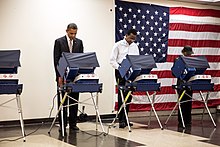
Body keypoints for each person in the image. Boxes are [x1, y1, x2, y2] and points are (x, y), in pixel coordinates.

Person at [53, 23, 84, 132]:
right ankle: (62, 124)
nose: (73, 36)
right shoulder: (59, 42)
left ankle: (73, 123)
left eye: (75, 34)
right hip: (62, 75)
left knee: (74, 100)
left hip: (74, 75)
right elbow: (56, 60)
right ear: (66, 31)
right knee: (63, 101)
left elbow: (81, 59)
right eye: (71, 33)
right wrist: (59, 76)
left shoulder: (79, 42)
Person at [110, 29, 139, 128]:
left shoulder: (135, 46)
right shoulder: (118, 45)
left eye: (134, 39)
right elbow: (112, 60)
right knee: (122, 95)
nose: (132, 40)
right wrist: (120, 69)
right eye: (130, 38)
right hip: (120, 71)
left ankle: (126, 118)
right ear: (126, 35)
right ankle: (121, 119)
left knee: (129, 95)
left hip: (131, 72)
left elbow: (137, 59)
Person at [176, 45, 194, 127]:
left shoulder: (191, 60)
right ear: (184, 52)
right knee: (182, 102)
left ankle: (188, 120)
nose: (189, 55)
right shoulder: (179, 60)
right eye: (188, 53)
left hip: (189, 82)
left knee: (189, 102)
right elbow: (176, 72)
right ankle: (181, 120)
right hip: (181, 83)